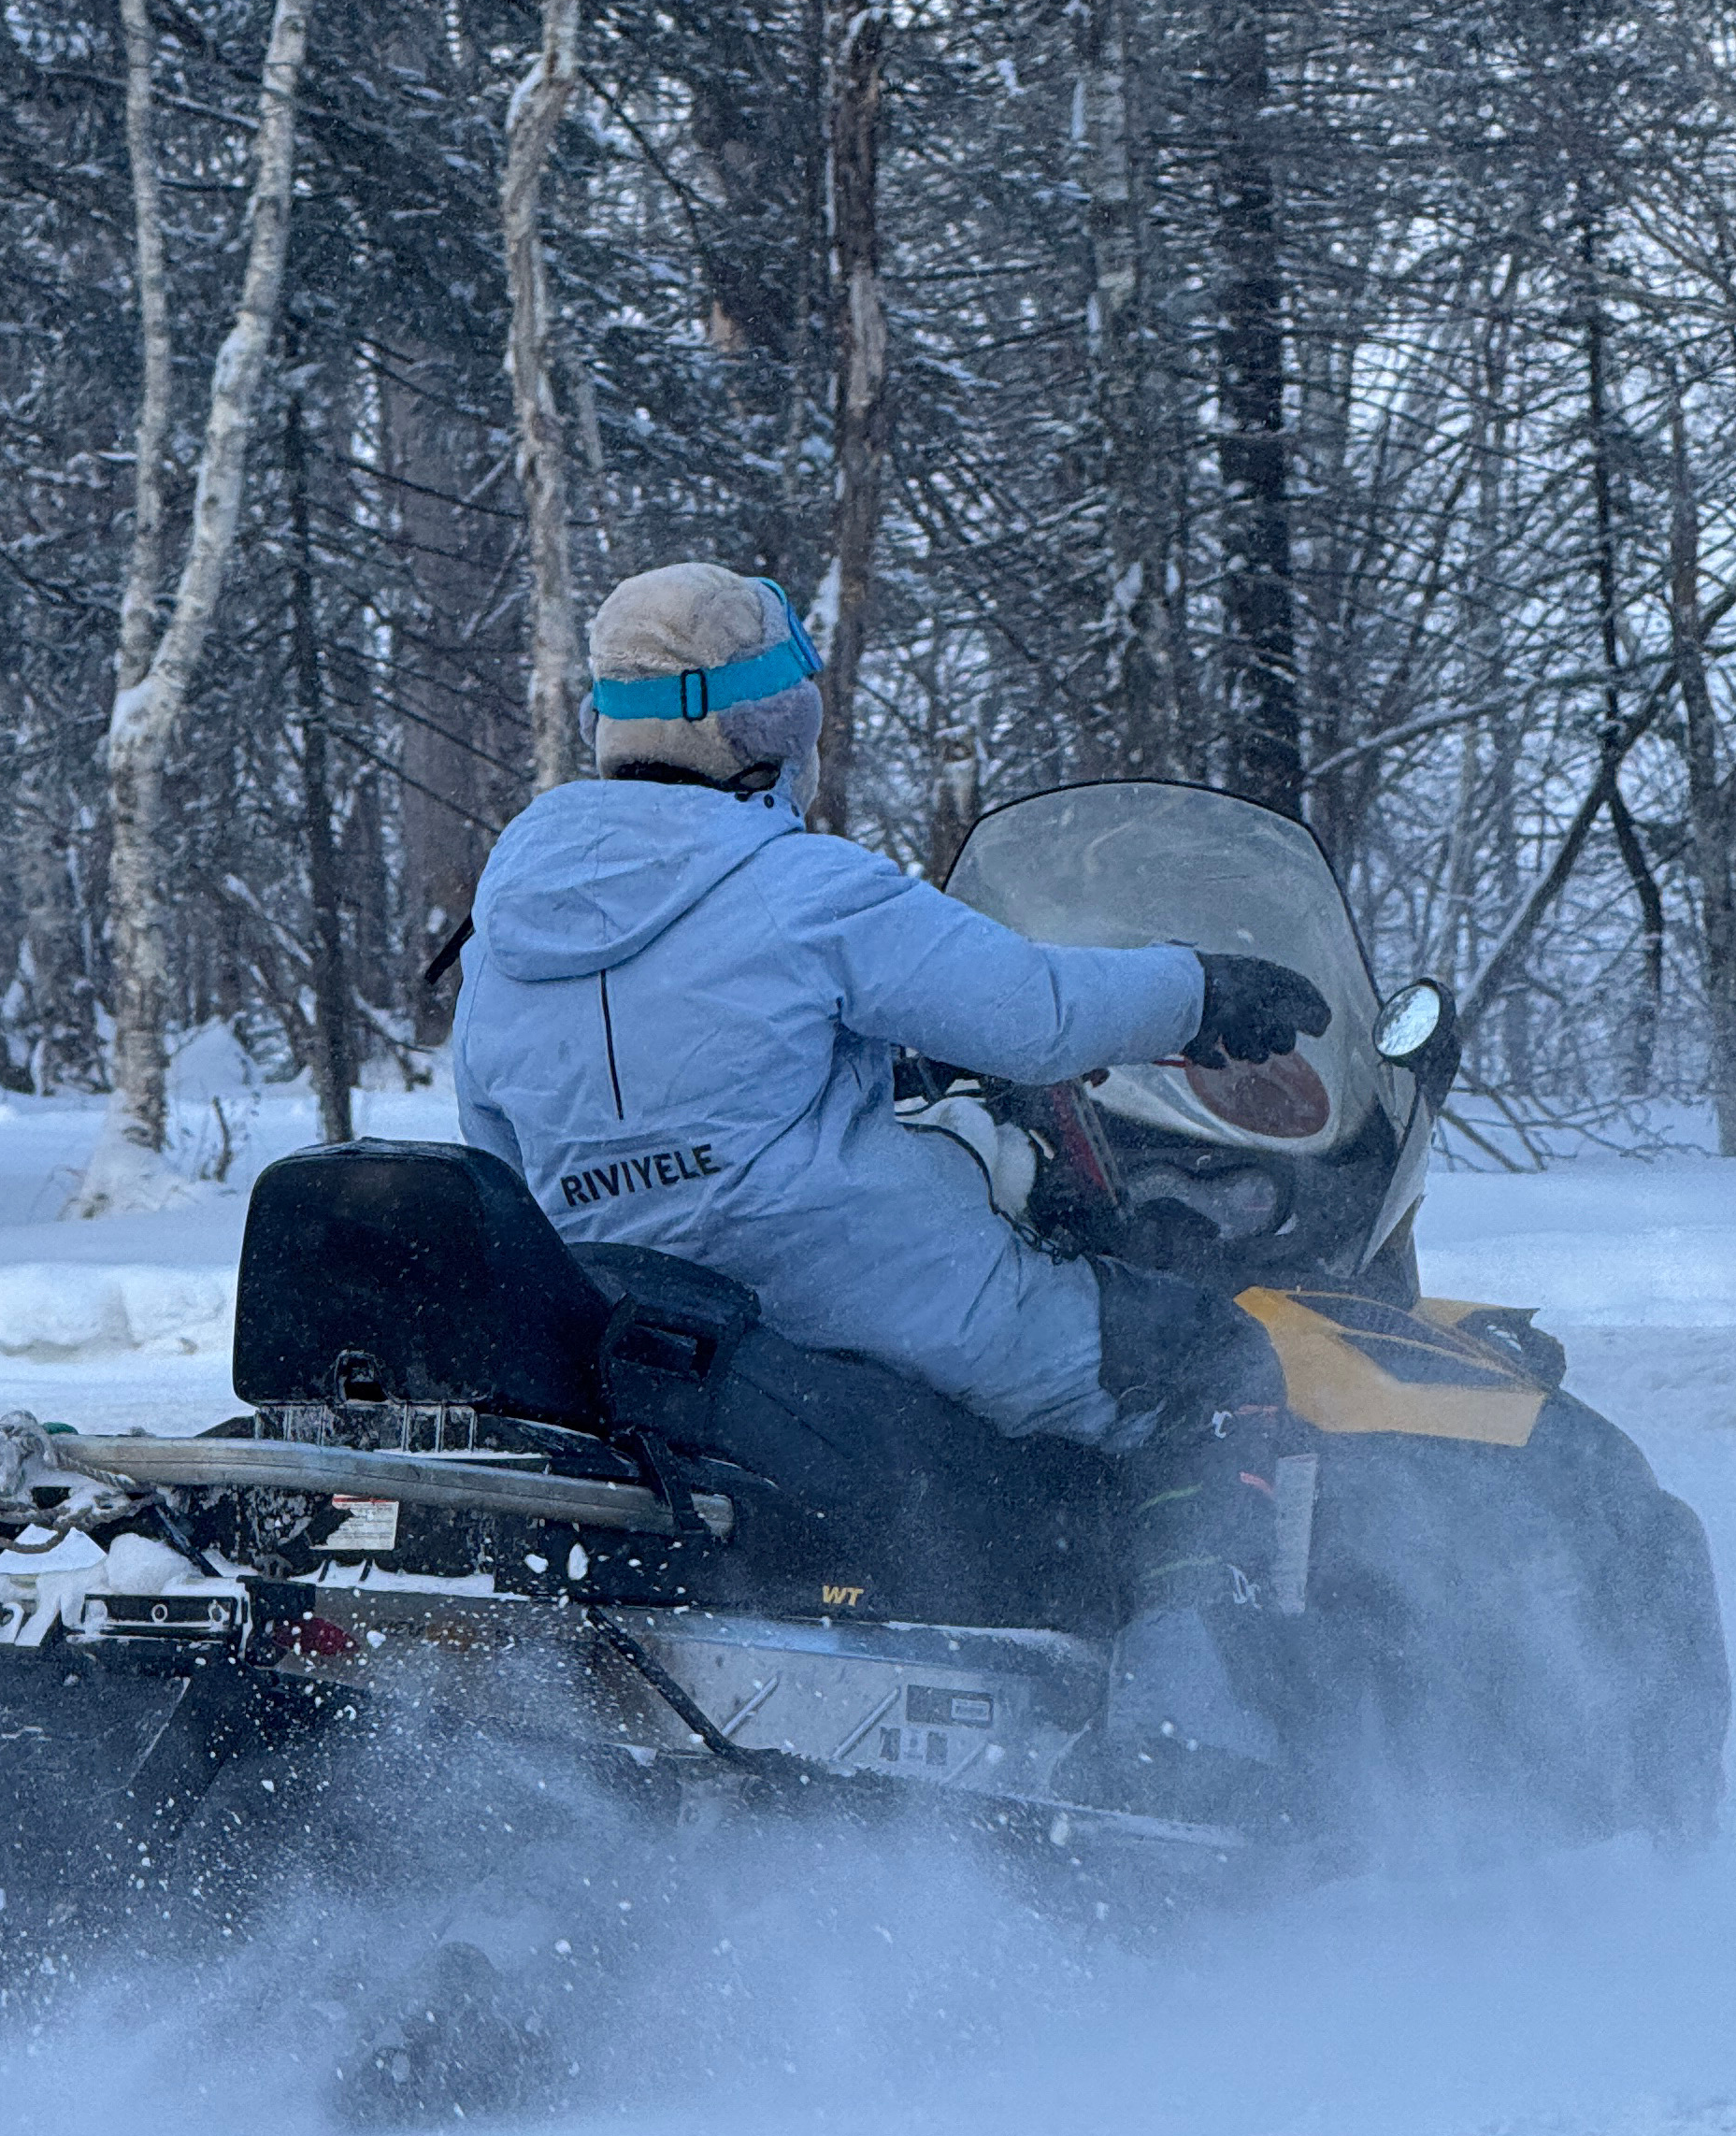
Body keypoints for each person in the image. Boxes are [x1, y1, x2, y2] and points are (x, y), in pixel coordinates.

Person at [449, 561, 1330, 1708]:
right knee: (1207, 1356)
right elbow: (1034, 1013)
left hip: (635, 1336)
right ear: (766, 725)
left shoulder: (499, 940)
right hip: (855, 1301)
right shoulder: (799, 883)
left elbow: (501, 1167)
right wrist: (1200, 993)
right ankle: (1203, 1712)